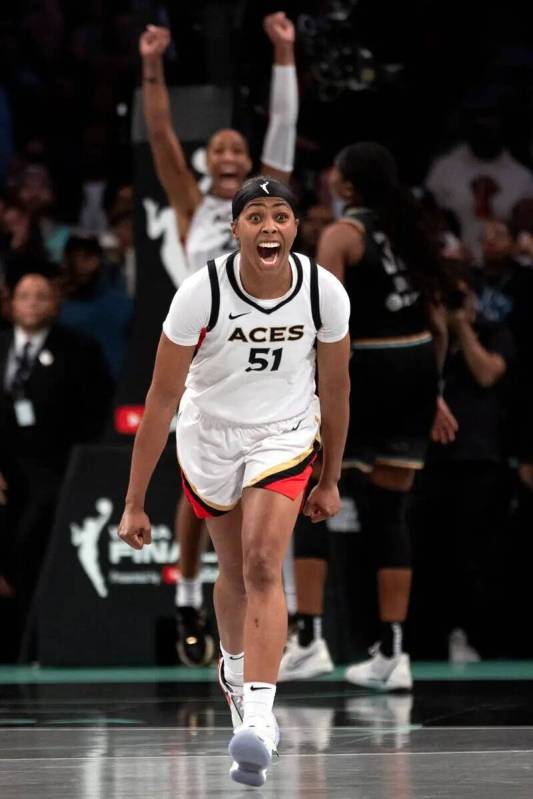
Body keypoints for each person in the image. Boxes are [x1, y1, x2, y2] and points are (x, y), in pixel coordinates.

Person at [117, 177, 350, 786]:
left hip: (284, 431)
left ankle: (260, 717)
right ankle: (234, 665)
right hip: (210, 433)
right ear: (236, 228)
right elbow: (161, 398)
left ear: (297, 227)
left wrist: (331, 477)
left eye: (280, 216)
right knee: (235, 570)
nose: (268, 226)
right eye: (255, 217)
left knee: (264, 562)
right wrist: (135, 501)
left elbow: (339, 389)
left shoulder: (325, 293)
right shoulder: (201, 294)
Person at [139, 14, 299, 665]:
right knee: (198, 490)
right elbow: (157, 131)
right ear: (208, 161)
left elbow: (283, 131)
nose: (232, 157)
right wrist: (152, 65)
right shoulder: (191, 203)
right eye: (222, 150)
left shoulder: (261, 209)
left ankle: (268, 601)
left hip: (265, 357)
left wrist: (284, 53)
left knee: (265, 488)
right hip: (201, 355)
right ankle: (189, 594)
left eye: (241, 150)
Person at [283, 143, 446, 690]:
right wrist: (436, 391)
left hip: (370, 369)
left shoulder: (340, 235)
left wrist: (307, 389)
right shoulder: (409, 228)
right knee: (390, 512)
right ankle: (393, 653)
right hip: (419, 364)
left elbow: (324, 321)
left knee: (312, 492)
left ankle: (308, 640)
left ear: (347, 186)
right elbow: (438, 319)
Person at [0, 273, 112, 652]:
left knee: (32, 537)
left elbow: (95, 415)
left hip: (57, 469)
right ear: (11, 304)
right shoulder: (1, 346)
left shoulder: (79, 349)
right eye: (24, 295)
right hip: (5, 466)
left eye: (41, 296)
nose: (31, 303)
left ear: (55, 304)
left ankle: (32, 639)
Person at [410, 266, 514, 661]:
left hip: (479, 460)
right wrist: (440, 331)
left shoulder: (493, 331)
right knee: (429, 556)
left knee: (477, 557)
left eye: (460, 296)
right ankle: (429, 640)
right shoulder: (425, 337)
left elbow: (488, 373)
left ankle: (478, 636)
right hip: (430, 462)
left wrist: (464, 329)